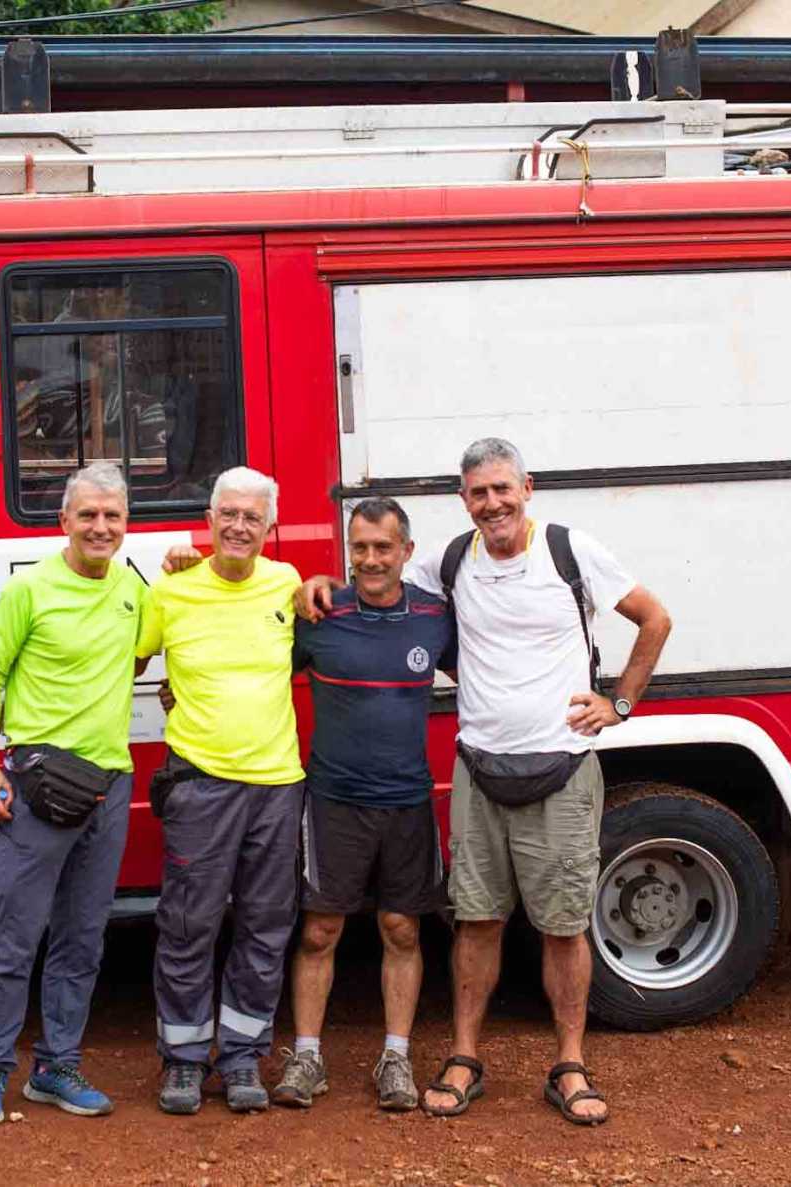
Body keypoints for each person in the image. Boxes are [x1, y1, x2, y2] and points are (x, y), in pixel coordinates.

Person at [301, 438, 671, 1125]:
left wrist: (618, 702)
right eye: (479, 493)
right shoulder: (451, 562)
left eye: (503, 488)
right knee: (475, 921)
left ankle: (570, 1065)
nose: (493, 503)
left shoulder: (570, 551)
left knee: (563, 926)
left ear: (527, 487)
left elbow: (655, 618)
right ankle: (464, 1056)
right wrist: (317, 582)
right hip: (479, 769)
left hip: (561, 768)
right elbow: (381, 583)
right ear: (464, 499)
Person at [0, 462, 149, 1126]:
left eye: (112, 515)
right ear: (64, 520)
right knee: (14, 935)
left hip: (109, 787)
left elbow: (140, 653)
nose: (101, 526)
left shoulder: (133, 588)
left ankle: (56, 1066)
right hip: (38, 789)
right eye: (88, 514)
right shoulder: (30, 589)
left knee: (82, 938)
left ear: (126, 524)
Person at [272, 497, 455, 1112]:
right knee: (320, 931)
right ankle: (307, 1056)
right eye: (360, 548)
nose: (371, 559)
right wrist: (181, 691)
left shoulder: (434, 617)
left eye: (383, 547)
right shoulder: (320, 613)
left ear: (407, 551)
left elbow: (496, 663)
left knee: (401, 928)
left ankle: (396, 1057)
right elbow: (254, 671)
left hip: (407, 802)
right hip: (334, 800)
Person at [137, 466, 305, 1116]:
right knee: (188, 925)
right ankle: (182, 1060)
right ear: (208, 521)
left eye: (252, 517)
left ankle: (241, 1057)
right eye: (228, 514)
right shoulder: (171, 589)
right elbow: (124, 660)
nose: (239, 526)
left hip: (276, 786)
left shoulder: (287, 583)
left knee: (265, 928)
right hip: (200, 782)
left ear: (270, 527)